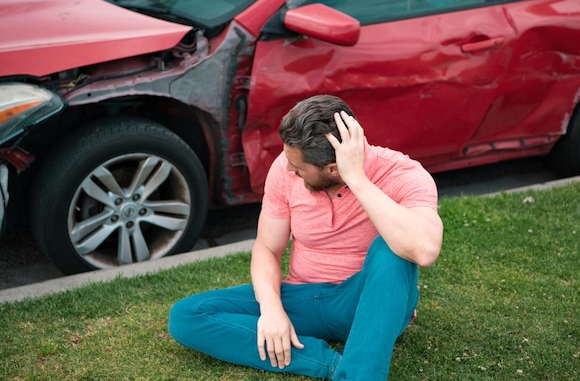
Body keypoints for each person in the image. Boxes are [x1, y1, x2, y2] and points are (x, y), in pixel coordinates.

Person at [168, 94, 443, 380]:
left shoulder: (401, 173)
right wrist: (272, 311)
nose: (288, 169)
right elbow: (266, 248)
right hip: (303, 298)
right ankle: (332, 365)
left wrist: (357, 180)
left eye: (298, 168)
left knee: (392, 250)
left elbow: (424, 250)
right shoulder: (285, 167)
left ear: (333, 169)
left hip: (366, 303)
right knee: (188, 316)